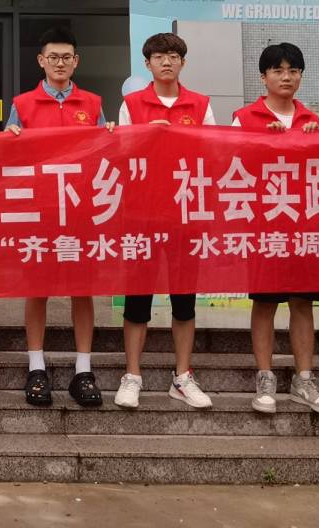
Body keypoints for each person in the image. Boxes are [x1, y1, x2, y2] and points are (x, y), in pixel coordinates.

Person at [4, 26, 108, 409]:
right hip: (40, 210)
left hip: (80, 211)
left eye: (66, 57)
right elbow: (9, 156)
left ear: (76, 61)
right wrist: (10, 138)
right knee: (38, 288)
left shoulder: (93, 104)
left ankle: (83, 370)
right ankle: (36, 367)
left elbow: (105, 153)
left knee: (83, 288)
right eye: (53, 57)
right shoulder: (22, 104)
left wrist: (111, 134)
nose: (60, 63)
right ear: (41, 61)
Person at [232, 43, 319, 415]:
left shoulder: (313, 120)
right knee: (264, 303)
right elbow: (230, 168)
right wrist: (265, 144)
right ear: (263, 77)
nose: (286, 77)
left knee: (302, 303)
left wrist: (316, 143)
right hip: (265, 227)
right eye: (277, 70)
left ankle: (304, 379)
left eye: (293, 70)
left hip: (305, 226)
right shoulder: (244, 118)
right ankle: (265, 377)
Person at [115, 32, 216, 410]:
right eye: (159, 57)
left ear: (183, 62)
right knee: (137, 301)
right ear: (148, 64)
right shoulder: (131, 105)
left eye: (174, 56)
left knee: (184, 301)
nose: (167, 62)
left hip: (185, 215)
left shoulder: (201, 104)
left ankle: (183, 376)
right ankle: (132, 375)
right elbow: (121, 153)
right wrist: (148, 137)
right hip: (142, 216)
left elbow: (214, 152)